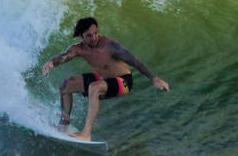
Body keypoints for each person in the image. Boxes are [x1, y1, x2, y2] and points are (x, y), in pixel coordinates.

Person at [41, 17, 169, 140]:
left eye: (95, 33)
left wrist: (154, 79)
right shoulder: (78, 49)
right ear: (81, 36)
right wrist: (51, 63)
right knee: (66, 85)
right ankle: (63, 125)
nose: (94, 37)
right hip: (103, 78)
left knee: (94, 87)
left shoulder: (110, 45)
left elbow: (135, 62)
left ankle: (86, 133)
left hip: (123, 81)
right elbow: (65, 56)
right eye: (89, 35)